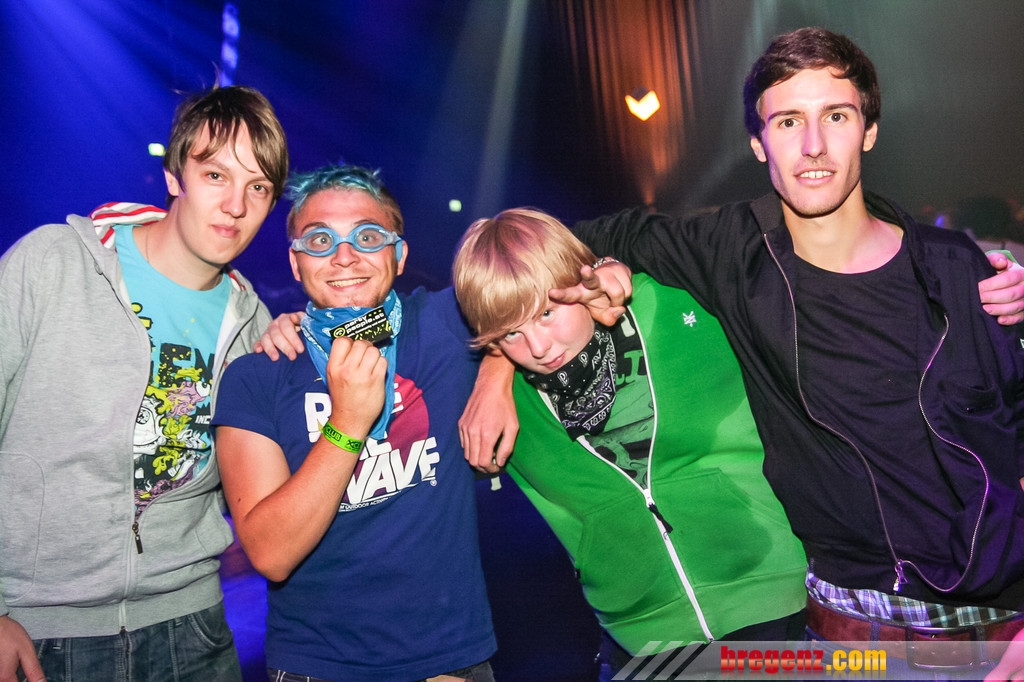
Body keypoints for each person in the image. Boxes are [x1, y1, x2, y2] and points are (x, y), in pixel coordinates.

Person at [556, 26, 1024, 673]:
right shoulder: (732, 253)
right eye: (787, 122)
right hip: (846, 644)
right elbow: (542, 256)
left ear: (869, 130)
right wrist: (497, 364)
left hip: (999, 633)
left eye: (836, 116)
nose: (813, 146)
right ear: (758, 143)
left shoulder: (959, 270)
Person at [0, 84, 289, 681]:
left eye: (258, 187)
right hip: (38, 630)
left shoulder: (254, 327)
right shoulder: (54, 264)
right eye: (215, 175)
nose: (235, 205)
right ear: (174, 176)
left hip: (193, 628)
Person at [452, 208, 808, 678]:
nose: (539, 347)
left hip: (769, 597)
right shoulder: (505, 405)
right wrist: (493, 372)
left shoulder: (672, 300)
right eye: (512, 333)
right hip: (639, 640)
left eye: (546, 313)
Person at [211, 164, 501, 682]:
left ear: (399, 254)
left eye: (367, 236)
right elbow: (271, 554)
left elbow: (540, 287)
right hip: (318, 667)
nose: (344, 256)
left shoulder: (448, 325)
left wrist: (497, 371)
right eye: (320, 240)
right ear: (296, 263)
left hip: (449, 660)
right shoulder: (257, 376)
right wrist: (347, 423)